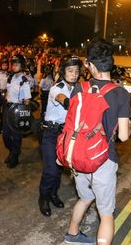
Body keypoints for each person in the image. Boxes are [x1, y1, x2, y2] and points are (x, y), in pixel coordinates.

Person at [63, 38, 131, 245]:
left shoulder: (79, 89)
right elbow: (124, 137)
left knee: (85, 197)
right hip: (103, 158)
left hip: (79, 155)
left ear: (91, 65)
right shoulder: (121, 93)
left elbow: (71, 123)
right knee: (106, 212)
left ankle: (72, 235)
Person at [38, 55, 81, 217]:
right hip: (51, 132)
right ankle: (43, 196)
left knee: (59, 167)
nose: (74, 74)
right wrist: (72, 103)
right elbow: (61, 98)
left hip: (66, 134)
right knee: (50, 169)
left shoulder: (78, 89)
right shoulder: (58, 87)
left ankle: (53, 194)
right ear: (63, 71)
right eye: (70, 70)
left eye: (76, 71)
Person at [2, 54, 31, 168]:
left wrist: (23, 111)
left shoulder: (25, 81)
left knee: (16, 135)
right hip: (8, 107)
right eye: (13, 64)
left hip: (18, 109)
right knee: (5, 134)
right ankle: (12, 151)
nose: (14, 66)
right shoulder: (10, 77)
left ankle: (15, 155)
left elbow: (27, 100)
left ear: (22, 65)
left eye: (17, 64)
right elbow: (8, 93)